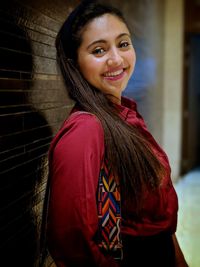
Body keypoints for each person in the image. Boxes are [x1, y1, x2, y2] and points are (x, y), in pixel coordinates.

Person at [45, 1, 189, 266]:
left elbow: (157, 220)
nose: (117, 59)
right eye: (99, 50)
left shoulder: (124, 116)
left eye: (123, 44)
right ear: (74, 63)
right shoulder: (86, 129)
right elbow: (72, 243)